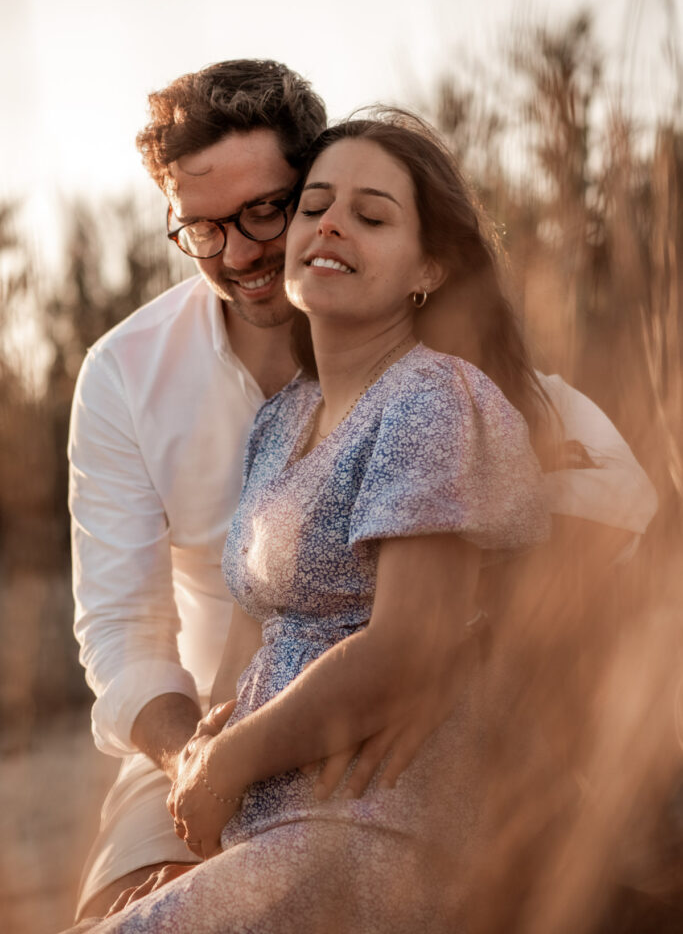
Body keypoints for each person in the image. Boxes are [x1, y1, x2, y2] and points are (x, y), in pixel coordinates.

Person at [69, 61, 657, 921]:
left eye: (264, 210)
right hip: (201, 735)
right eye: (200, 229)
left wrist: (444, 653)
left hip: (378, 766)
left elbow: (616, 497)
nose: (238, 254)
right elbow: (125, 629)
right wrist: (197, 758)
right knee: (117, 911)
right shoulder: (134, 374)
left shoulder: (438, 380)